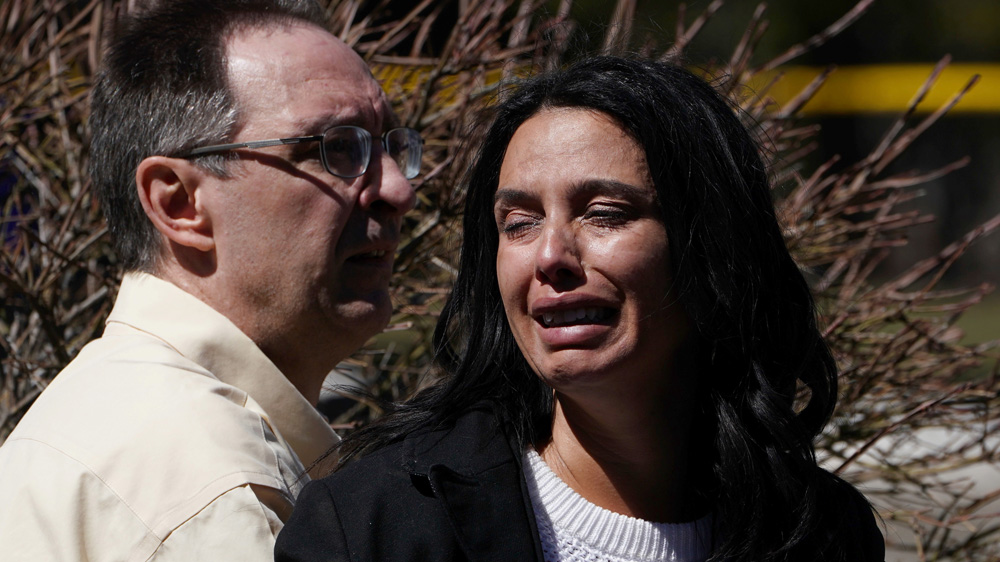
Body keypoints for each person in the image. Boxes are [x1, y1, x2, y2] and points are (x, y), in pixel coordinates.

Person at [275, 55, 885, 562]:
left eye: (605, 213)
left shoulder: (824, 534)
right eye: (519, 222)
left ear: (711, 247)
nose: (550, 256)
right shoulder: (374, 527)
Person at [0, 0, 419, 560]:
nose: (397, 190)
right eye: (337, 148)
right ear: (179, 203)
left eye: (390, 145)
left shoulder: (108, 415)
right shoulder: (216, 492)